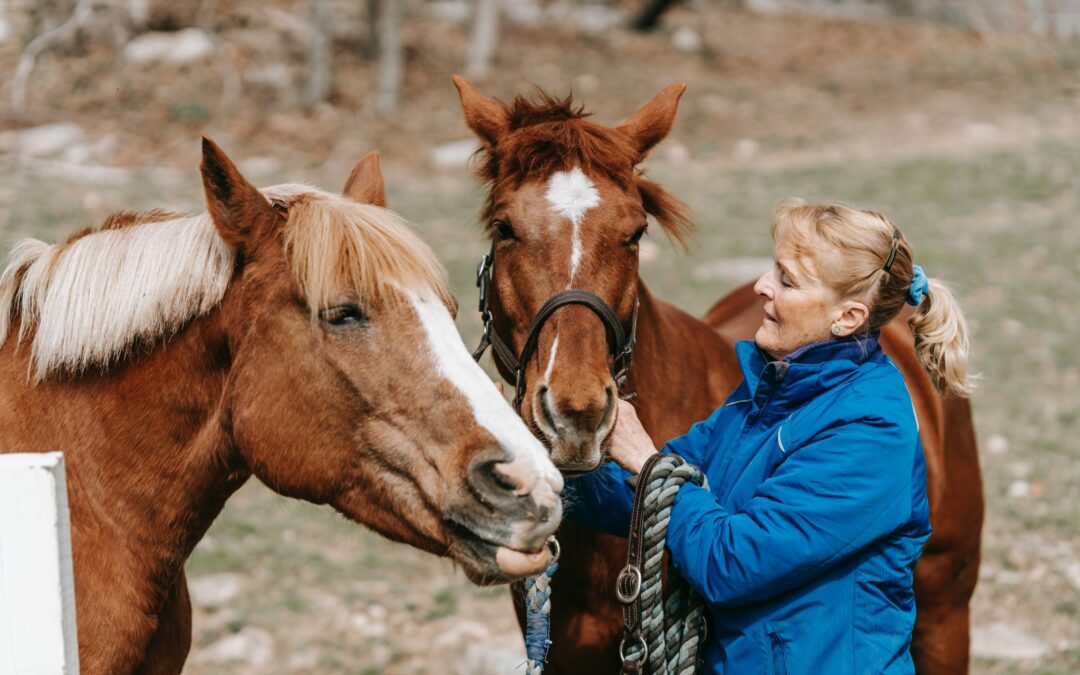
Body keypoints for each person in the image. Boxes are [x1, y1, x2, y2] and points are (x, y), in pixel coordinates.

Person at [567, 201, 974, 674]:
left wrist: (646, 460)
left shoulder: (868, 432)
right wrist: (540, 475)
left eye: (786, 280)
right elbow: (651, 492)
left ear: (846, 317)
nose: (761, 286)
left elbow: (733, 565)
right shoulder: (767, 393)